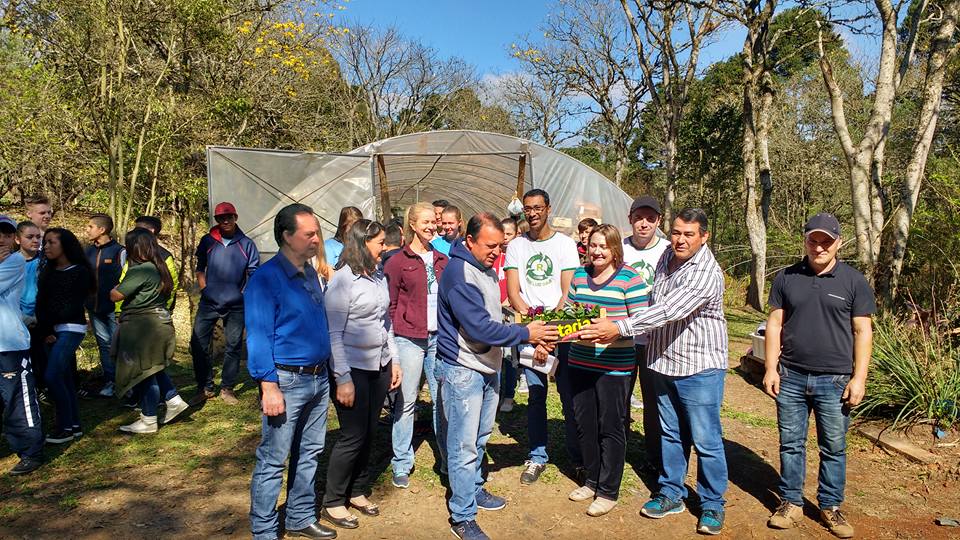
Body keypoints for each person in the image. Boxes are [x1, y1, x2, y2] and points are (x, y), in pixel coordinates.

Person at [581, 207, 729, 536]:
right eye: (676, 232)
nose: (680, 239)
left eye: (689, 234)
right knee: (670, 434)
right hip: (664, 360)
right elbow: (651, 297)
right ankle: (671, 492)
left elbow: (667, 310)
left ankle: (712, 503)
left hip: (699, 366)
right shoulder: (665, 257)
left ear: (704, 237)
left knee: (706, 440)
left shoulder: (706, 272)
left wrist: (619, 326)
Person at [437, 212, 558, 540]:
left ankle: (474, 488)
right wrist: (525, 332)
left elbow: (490, 316)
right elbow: (478, 327)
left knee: (479, 437)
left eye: (500, 246)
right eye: (490, 246)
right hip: (464, 368)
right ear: (470, 240)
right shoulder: (460, 273)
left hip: (487, 364)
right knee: (463, 446)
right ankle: (462, 516)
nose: (496, 252)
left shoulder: (484, 267)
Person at [763, 213, 875, 539]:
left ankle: (830, 505)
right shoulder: (786, 277)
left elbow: (862, 331)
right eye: (814, 240)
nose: (819, 247)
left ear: (838, 242)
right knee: (791, 444)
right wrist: (771, 367)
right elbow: (774, 325)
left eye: (826, 241)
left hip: (836, 381)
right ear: (806, 240)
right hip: (792, 376)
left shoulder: (853, 281)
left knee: (834, 447)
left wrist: (859, 378)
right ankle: (791, 502)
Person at [245, 203, 337, 540]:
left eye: (316, 232)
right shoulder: (265, 279)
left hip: (318, 378)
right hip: (287, 381)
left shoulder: (310, 272)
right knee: (273, 459)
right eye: (309, 233)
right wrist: (269, 386)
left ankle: (299, 517)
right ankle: (264, 530)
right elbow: (257, 336)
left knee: (310, 453)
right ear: (286, 236)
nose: (316, 239)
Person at [322, 219, 402, 530]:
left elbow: (386, 323)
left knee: (370, 431)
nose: (385, 247)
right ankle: (333, 500)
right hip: (352, 369)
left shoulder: (378, 276)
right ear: (362, 243)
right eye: (380, 242)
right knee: (352, 435)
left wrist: (393, 360)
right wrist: (342, 378)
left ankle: (357, 489)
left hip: (378, 366)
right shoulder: (343, 282)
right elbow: (333, 334)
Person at [564, 224, 648, 517]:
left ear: (615, 250)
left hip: (614, 367)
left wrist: (613, 333)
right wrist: (561, 330)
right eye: (593, 245)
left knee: (610, 427)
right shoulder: (579, 276)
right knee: (585, 425)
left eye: (604, 246)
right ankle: (591, 479)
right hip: (580, 361)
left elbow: (642, 323)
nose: (597, 251)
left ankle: (608, 490)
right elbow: (568, 313)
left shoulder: (629, 279)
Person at [504, 188, 582, 485]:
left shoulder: (564, 245)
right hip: (531, 332)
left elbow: (568, 293)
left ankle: (577, 458)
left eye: (538, 208)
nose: (533, 213)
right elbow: (514, 293)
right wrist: (535, 334)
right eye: (528, 208)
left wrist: (551, 334)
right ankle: (537, 456)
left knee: (568, 395)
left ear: (548, 208)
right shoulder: (517, 246)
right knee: (536, 396)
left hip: (561, 333)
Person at [384, 202, 448, 489]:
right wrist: (394, 343)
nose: (432, 226)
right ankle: (401, 461)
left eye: (434, 221)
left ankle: (448, 459)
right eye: (425, 222)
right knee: (406, 401)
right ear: (411, 225)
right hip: (409, 338)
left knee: (443, 401)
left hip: (438, 339)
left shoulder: (442, 259)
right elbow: (390, 305)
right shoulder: (397, 261)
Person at [111, 229, 189, 434]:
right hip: (159, 323)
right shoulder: (159, 266)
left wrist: (116, 287)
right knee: (154, 368)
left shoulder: (141, 270)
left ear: (134, 248)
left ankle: (148, 418)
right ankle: (173, 400)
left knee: (143, 373)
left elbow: (116, 295)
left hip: (144, 327)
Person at [190, 201, 260, 406]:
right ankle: (204, 386)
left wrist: (243, 294)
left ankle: (227, 388)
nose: (226, 220)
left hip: (236, 305)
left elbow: (253, 272)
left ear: (235, 217)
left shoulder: (246, 243)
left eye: (229, 217)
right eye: (221, 218)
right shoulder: (208, 241)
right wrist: (204, 289)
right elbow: (200, 267)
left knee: (233, 345)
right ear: (217, 220)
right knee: (198, 342)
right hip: (208, 302)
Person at [621, 195, 669, 468]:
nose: (644, 224)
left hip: (655, 339)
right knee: (619, 398)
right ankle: (619, 448)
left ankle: (655, 457)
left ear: (658, 221)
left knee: (654, 401)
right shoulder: (621, 249)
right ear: (630, 219)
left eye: (650, 218)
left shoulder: (668, 249)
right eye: (639, 217)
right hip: (623, 338)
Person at [35, 228, 94, 444]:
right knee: (64, 378)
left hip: (71, 329)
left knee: (52, 376)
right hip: (50, 331)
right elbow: (42, 303)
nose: (46, 247)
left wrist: (49, 326)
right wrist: (46, 330)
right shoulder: (48, 271)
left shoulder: (80, 272)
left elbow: (69, 306)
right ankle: (74, 426)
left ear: (65, 245)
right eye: (45, 242)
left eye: (51, 242)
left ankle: (64, 427)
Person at [0, 215, 44, 475]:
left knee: (18, 398)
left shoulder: (15, 261)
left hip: (9, 345)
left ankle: (31, 451)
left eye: (6, 235)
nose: (1, 240)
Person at [83, 213, 126, 397]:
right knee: (104, 345)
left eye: (90, 227)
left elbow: (126, 279)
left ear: (102, 230)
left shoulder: (120, 251)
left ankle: (126, 383)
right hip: (94, 308)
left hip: (114, 310)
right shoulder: (87, 251)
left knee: (121, 346)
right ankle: (110, 381)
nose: (87, 230)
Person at [493, 216, 519, 413]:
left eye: (509, 234)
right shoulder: (493, 256)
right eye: (503, 235)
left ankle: (508, 395)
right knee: (496, 355)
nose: (506, 239)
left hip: (510, 313)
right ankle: (495, 394)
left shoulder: (518, 258)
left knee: (510, 356)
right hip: (493, 313)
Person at [17, 221, 42, 327]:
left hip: (41, 318)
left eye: (38, 236)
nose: (35, 240)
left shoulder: (46, 261)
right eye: (30, 237)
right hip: (17, 318)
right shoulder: (10, 262)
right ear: (17, 239)